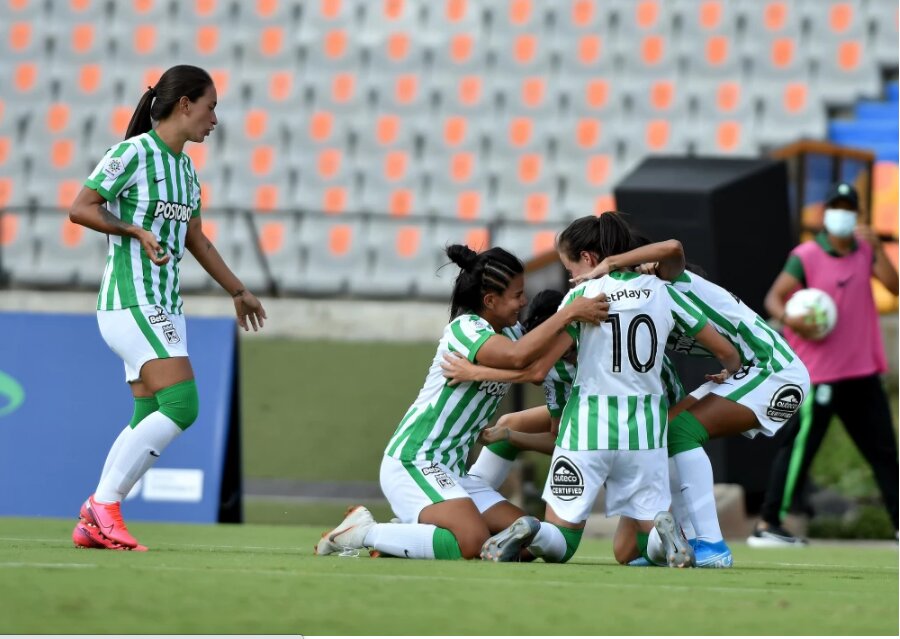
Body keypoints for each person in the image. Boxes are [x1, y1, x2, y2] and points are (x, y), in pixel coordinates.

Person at [68, 65, 267, 551]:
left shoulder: (184, 168)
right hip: (130, 301)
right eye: (211, 106)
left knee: (149, 412)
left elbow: (195, 238)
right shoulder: (132, 153)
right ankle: (104, 506)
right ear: (184, 105)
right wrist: (133, 229)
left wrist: (237, 289)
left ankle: (94, 516)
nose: (215, 119)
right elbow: (81, 206)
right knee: (182, 404)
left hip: (162, 305)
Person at [478, 214, 743, 567]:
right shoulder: (662, 292)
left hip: (586, 430)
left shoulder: (582, 295)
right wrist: (730, 371)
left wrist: (474, 370)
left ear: (588, 259)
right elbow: (726, 351)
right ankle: (663, 533)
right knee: (645, 538)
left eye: (568, 265)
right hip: (646, 435)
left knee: (562, 541)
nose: (569, 274)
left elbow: (540, 368)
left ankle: (534, 530)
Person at [314, 245, 609, 560]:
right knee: (471, 542)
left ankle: (409, 538)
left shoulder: (509, 331)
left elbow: (534, 370)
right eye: (517, 295)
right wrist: (569, 312)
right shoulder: (465, 329)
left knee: (525, 541)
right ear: (490, 301)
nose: (523, 302)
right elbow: (518, 357)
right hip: (416, 460)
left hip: (454, 471)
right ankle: (361, 532)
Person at [571, 223, 811, 567]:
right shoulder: (638, 302)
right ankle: (677, 540)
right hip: (746, 369)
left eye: (572, 269)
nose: (576, 278)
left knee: (682, 430)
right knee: (661, 433)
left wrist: (609, 263)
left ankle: (711, 545)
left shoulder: (665, 281)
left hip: (773, 370)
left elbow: (671, 246)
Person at [749, 181, 899, 546]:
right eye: (837, 206)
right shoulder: (807, 255)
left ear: (857, 214)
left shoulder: (865, 251)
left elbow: (894, 287)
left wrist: (879, 249)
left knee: (884, 453)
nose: (842, 214)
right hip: (819, 374)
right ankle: (769, 524)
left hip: (861, 371)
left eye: (849, 207)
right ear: (826, 213)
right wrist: (790, 317)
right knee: (799, 448)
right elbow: (774, 297)